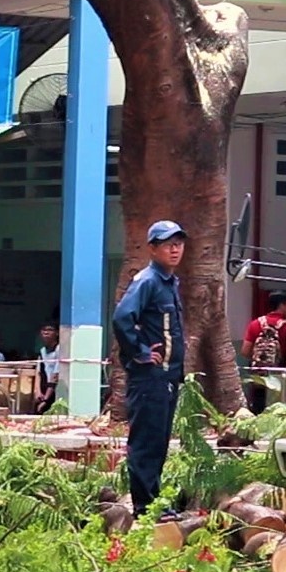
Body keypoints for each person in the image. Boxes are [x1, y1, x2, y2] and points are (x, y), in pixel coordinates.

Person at [112, 220, 188, 520]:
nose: (175, 248)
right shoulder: (147, 281)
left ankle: (156, 503)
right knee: (145, 443)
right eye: (168, 243)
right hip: (149, 379)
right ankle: (145, 509)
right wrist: (141, 353)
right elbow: (122, 318)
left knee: (158, 442)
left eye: (179, 243)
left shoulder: (170, 282)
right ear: (152, 248)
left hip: (167, 377)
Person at [241, 289, 286, 414]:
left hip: (257, 374)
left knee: (257, 407)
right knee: (277, 408)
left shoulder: (255, 324)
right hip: (278, 375)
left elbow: (245, 351)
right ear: (283, 304)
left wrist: (260, 360)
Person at [36, 322, 59, 413]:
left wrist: (46, 399)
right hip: (43, 390)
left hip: (53, 391)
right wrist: (37, 391)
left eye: (50, 330)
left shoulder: (59, 349)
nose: (46, 332)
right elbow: (38, 372)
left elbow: (55, 376)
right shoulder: (42, 351)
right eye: (44, 330)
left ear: (56, 333)